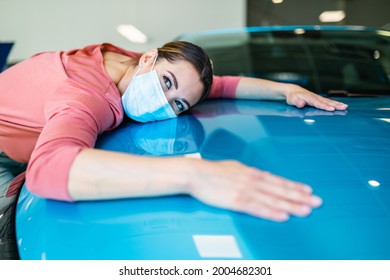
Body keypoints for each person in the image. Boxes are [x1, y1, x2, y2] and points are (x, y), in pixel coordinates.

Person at [0, 41, 348, 227]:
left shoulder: (133, 64)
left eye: (178, 104)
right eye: (166, 83)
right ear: (149, 58)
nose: (163, 102)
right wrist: (195, 174)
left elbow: (221, 85)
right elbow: (49, 170)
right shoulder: (85, 97)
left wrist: (282, 90)